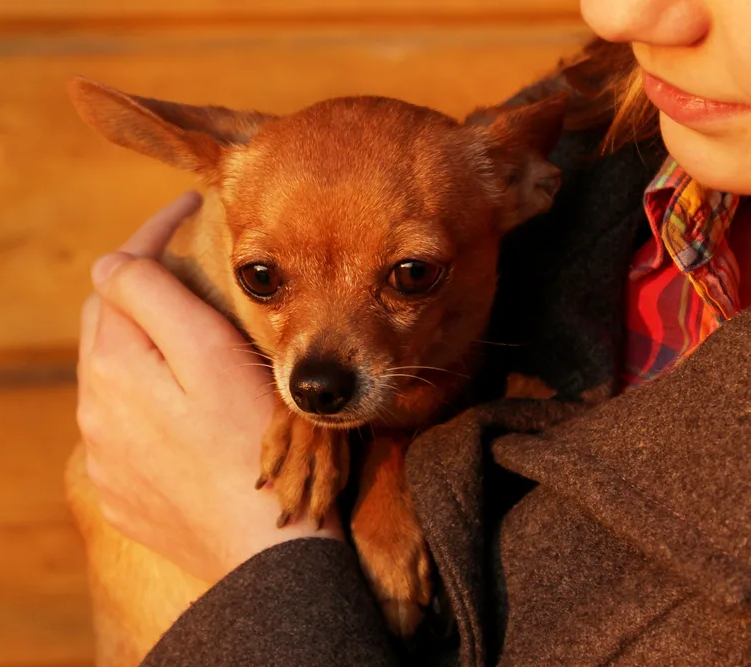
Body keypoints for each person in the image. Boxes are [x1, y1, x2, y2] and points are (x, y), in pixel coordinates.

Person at [72, 0, 751, 664]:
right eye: (264, 278)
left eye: (407, 274)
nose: (619, 11)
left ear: (523, 183)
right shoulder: (609, 149)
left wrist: (254, 555)